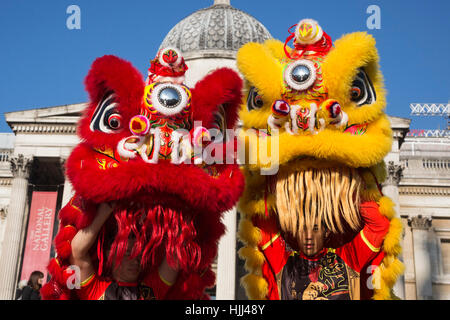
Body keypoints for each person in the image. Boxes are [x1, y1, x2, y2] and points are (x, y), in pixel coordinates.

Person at [257, 200, 390, 300]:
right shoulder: (283, 261)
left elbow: (379, 226)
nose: (308, 237)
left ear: (326, 232)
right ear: (295, 232)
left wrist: (348, 194)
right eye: (303, 229)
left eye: (315, 229)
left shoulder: (348, 257)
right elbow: (262, 216)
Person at [70, 202, 179, 300]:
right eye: (128, 254)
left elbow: (175, 257)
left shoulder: (151, 291)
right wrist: (106, 208)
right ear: (109, 253)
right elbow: (77, 251)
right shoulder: (94, 291)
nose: (136, 261)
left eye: (139, 256)